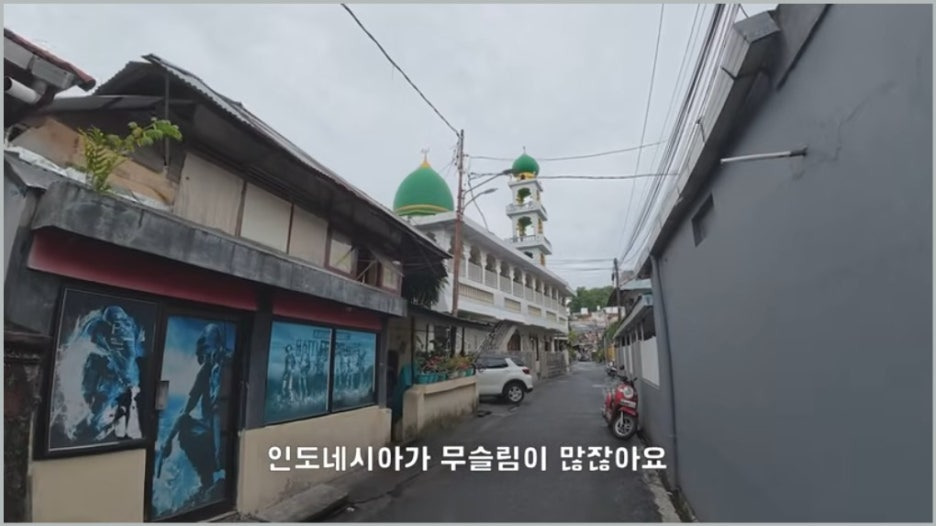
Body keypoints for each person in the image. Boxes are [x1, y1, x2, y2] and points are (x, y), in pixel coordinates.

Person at [157, 324, 232, 493]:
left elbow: (221, 406)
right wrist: (167, 441)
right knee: (185, 426)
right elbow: (186, 409)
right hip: (212, 429)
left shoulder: (230, 362)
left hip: (228, 430)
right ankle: (207, 482)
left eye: (207, 348)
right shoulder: (207, 369)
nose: (206, 356)